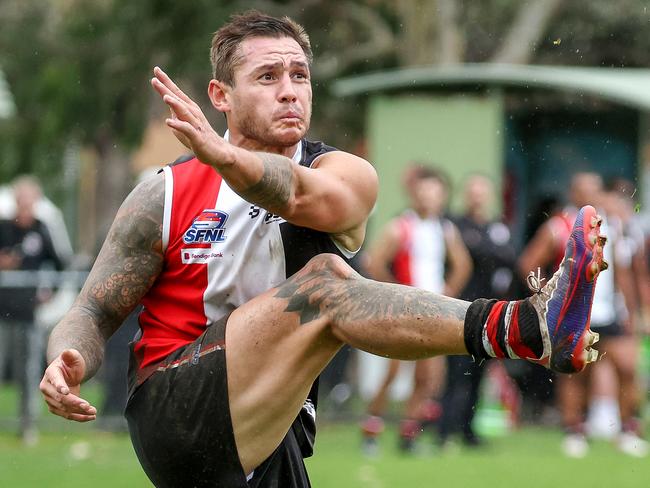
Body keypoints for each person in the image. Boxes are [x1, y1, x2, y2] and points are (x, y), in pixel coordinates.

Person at [40, 11, 606, 488]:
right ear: (220, 95)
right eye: (266, 76)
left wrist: (225, 159)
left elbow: (306, 195)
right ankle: (527, 328)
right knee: (324, 286)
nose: (290, 89)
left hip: (271, 427)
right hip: (175, 410)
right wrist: (69, 359)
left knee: (325, 287)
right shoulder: (162, 192)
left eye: (299, 75)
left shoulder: (343, 173)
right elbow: (93, 310)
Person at [519, 171, 647, 458]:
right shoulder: (558, 226)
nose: (590, 196)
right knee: (575, 374)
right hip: (574, 313)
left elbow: (623, 272)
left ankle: (627, 430)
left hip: (610, 311)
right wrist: (547, 298)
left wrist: (631, 309)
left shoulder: (611, 226)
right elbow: (529, 263)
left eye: (595, 190)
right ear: (574, 195)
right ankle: (574, 430)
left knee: (627, 368)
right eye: (583, 191)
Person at [360, 164, 472, 453]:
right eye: (424, 192)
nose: (430, 198)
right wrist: (398, 294)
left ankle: (408, 436)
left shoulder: (444, 229)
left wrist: (448, 293)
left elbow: (463, 265)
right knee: (394, 373)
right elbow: (373, 262)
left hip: (433, 311)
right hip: (404, 311)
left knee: (430, 376)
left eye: (436, 193)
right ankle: (371, 429)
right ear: (414, 194)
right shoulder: (401, 227)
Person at [438, 173, 517, 448]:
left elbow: (510, 257)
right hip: (459, 308)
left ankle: (468, 431)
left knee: (479, 373)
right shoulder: (454, 224)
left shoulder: (498, 226)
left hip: (490, 311)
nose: (477, 196)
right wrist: (489, 250)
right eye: (472, 191)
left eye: (482, 191)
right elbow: (479, 253)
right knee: (454, 372)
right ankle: (444, 430)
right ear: (465, 195)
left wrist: (485, 250)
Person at [0, 176, 65, 443]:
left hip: (28, 313)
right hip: (1, 312)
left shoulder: (42, 229)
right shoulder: (3, 227)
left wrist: (51, 294)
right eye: (21, 200)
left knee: (28, 371)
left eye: (30, 201)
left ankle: (28, 426)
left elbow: (61, 264)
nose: (26, 206)